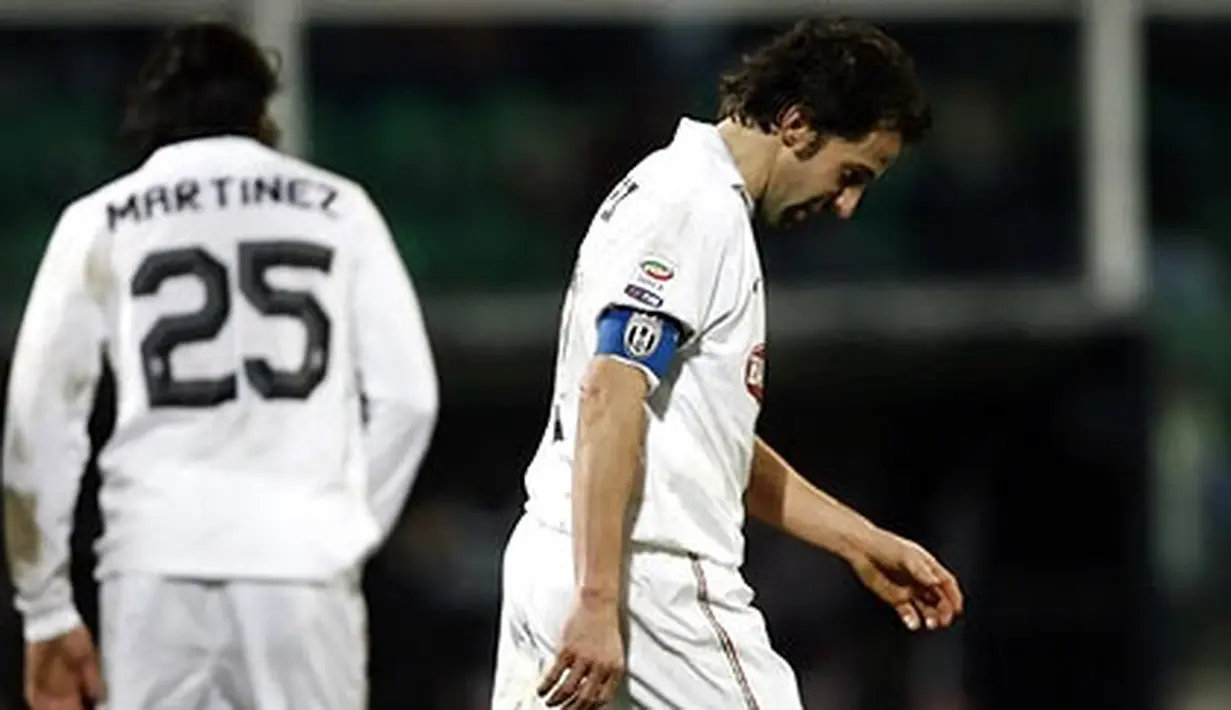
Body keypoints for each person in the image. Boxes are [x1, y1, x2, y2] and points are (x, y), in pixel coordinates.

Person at [492, 17, 963, 710]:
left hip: (556, 557)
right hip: (648, 578)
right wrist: (599, 598)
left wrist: (857, 541)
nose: (846, 205)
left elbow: (702, 443)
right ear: (797, 125)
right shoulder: (695, 207)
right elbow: (609, 393)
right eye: (850, 174)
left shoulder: (674, 191)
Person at [3, 22, 438, 710]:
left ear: (148, 115)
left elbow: (40, 416)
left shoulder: (101, 219)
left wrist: (46, 608)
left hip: (154, 559)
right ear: (260, 110)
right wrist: (343, 528)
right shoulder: (339, 208)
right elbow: (409, 398)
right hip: (299, 562)